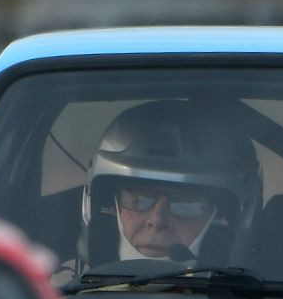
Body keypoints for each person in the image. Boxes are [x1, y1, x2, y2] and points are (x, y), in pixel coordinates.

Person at [78, 99, 263, 271]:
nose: (157, 220)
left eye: (185, 205)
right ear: (108, 210)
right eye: (140, 200)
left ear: (226, 223)